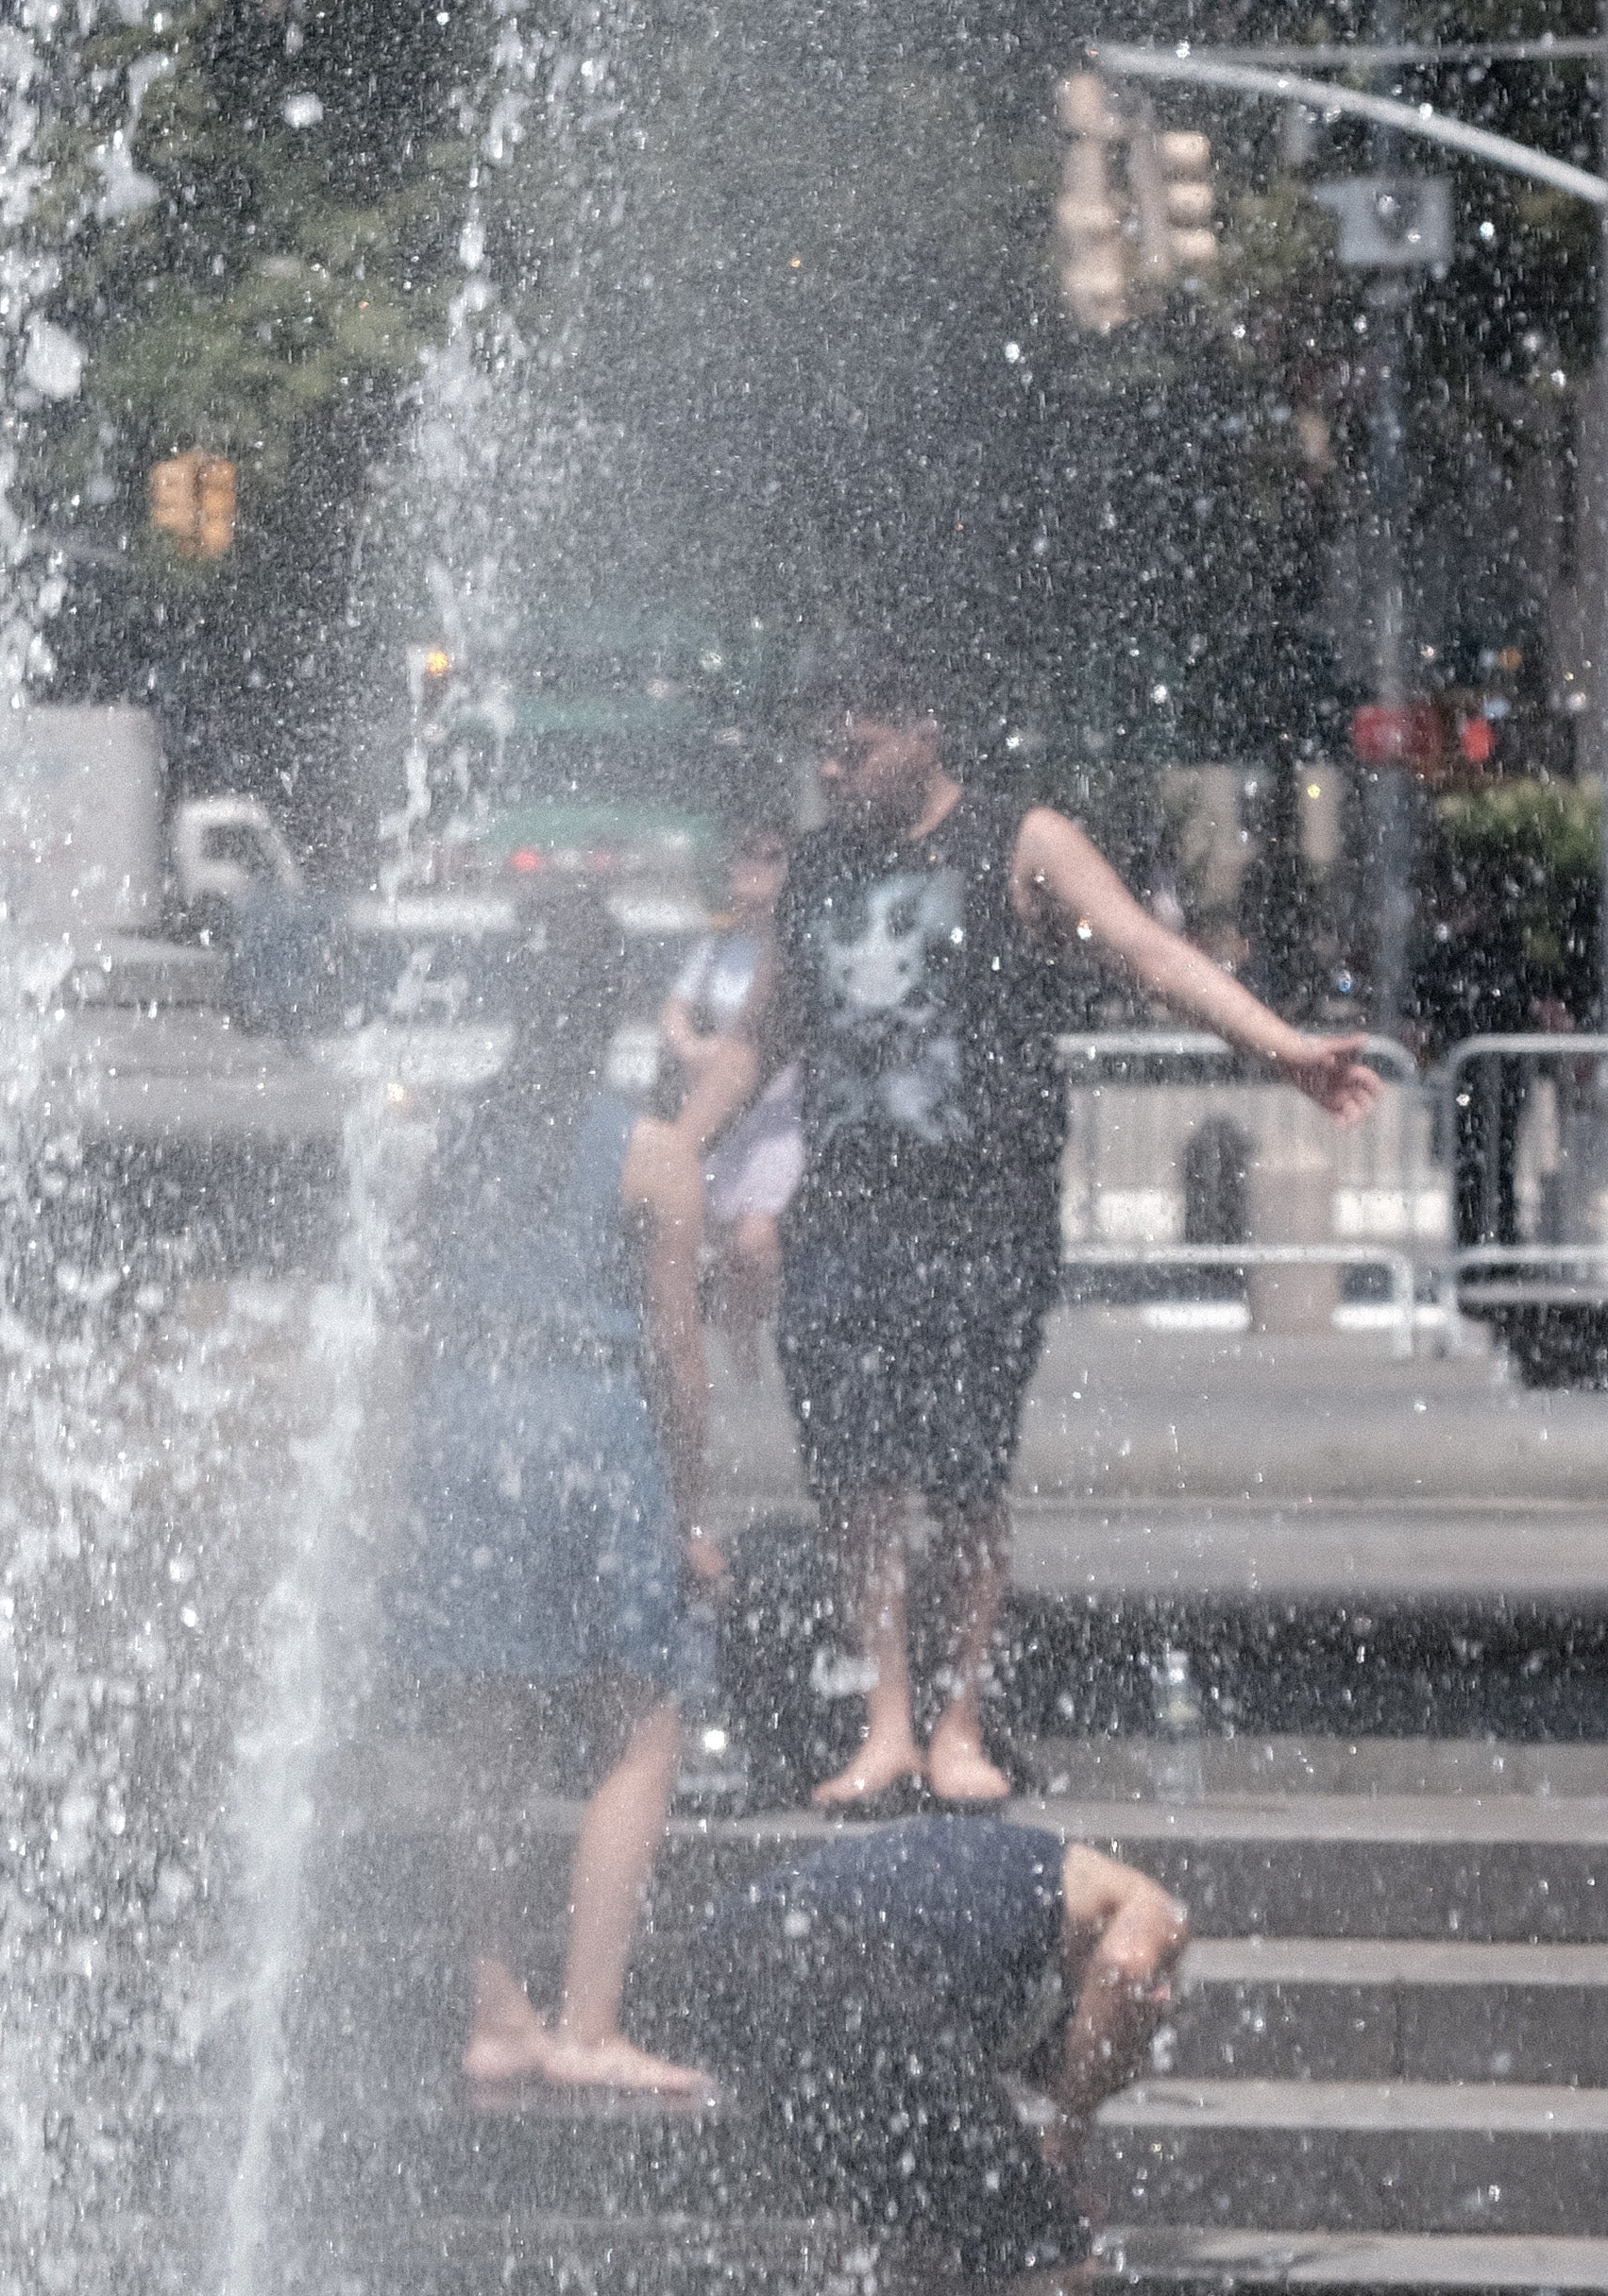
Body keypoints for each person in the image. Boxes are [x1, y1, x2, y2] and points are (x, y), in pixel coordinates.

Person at [643, 663, 1380, 1811]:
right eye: (821, 751)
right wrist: (673, 1152)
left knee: (964, 1473)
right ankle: (885, 1721)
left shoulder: (1019, 840)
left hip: (983, 1211)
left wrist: (1278, 1047)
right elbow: (759, 1034)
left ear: (923, 728)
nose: (830, 771)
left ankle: (959, 1720)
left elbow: (1147, 952)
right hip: (844, 1210)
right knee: (850, 1473)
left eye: (853, 747)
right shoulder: (818, 865)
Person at [396, 880, 719, 2096]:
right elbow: (677, 1360)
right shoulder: (651, 1155)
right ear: (616, 1006)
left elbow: (416, 1325)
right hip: (590, 1432)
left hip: (466, 1429)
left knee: (481, 1729)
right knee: (637, 1723)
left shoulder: (445, 1142)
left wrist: (411, 1473)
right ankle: (587, 2026)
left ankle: (495, 2012)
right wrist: (686, 1512)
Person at [681, 1812, 1187, 2296]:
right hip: (842, 1960)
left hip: (726, 1964)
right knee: (1054, 2264)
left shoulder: (994, 1918)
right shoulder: (1144, 1905)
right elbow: (1127, 1968)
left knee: (911, 2243)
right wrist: (1067, 2141)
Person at [655, 822, 804, 1376]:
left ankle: (753, 1330)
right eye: (745, 859)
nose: (753, 870)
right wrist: (693, 1048)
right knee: (721, 1247)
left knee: (755, 1241)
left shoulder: (795, 948)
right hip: (719, 1116)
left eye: (768, 860)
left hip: (779, 1116)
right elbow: (675, 1010)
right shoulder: (719, 946)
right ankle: (743, 1354)